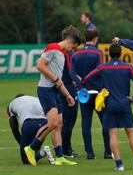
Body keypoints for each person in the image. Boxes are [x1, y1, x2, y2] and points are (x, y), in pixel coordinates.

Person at [83, 44, 133, 171]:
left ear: (109, 54)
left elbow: (87, 78)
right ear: (121, 53)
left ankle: (119, 165)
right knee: (131, 133)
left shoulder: (103, 67)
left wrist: (100, 87)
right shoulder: (127, 67)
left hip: (110, 104)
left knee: (113, 134)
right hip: (125, 103)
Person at [24, 26, 81, 166]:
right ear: (70, 41)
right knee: (52, 123)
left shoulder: (62, 54)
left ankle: (60, 157)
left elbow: (58, 79)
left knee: (58, 124)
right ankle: (31, 148)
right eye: (73, 47)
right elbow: (39, 66)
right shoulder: (53, 47)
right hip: (45, 90)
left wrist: (68, 95)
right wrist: (55, 79)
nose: (72, 50)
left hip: (55, 91)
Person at [71, 30, 112, 159]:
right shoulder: (98, 53)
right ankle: (107, 152)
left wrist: (80, 85)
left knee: (86, 122)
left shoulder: (76, 54)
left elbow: (72, 73)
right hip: (97, 92)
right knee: (105, 121)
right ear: (95, 39)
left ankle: (89, 152)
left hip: (83, 93)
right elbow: (100, 70)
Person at [7, 94, 55, 165]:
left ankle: (43, 152)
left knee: (26, 160)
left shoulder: (12, 103)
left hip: (29, 123)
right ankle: (43, 154)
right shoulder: (36, 99)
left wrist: (22, 144)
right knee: (33, 150)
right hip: (44, 123)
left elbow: (14, 127)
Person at [60, 29, 80, 158]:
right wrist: (79, 81)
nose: (76, 45)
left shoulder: (61, 52)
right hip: (67, 88)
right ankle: (65, 150)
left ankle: (66, 147)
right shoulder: (66, 54)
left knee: (66, 120)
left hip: (61, 88)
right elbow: (70, 73)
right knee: (69, 119)